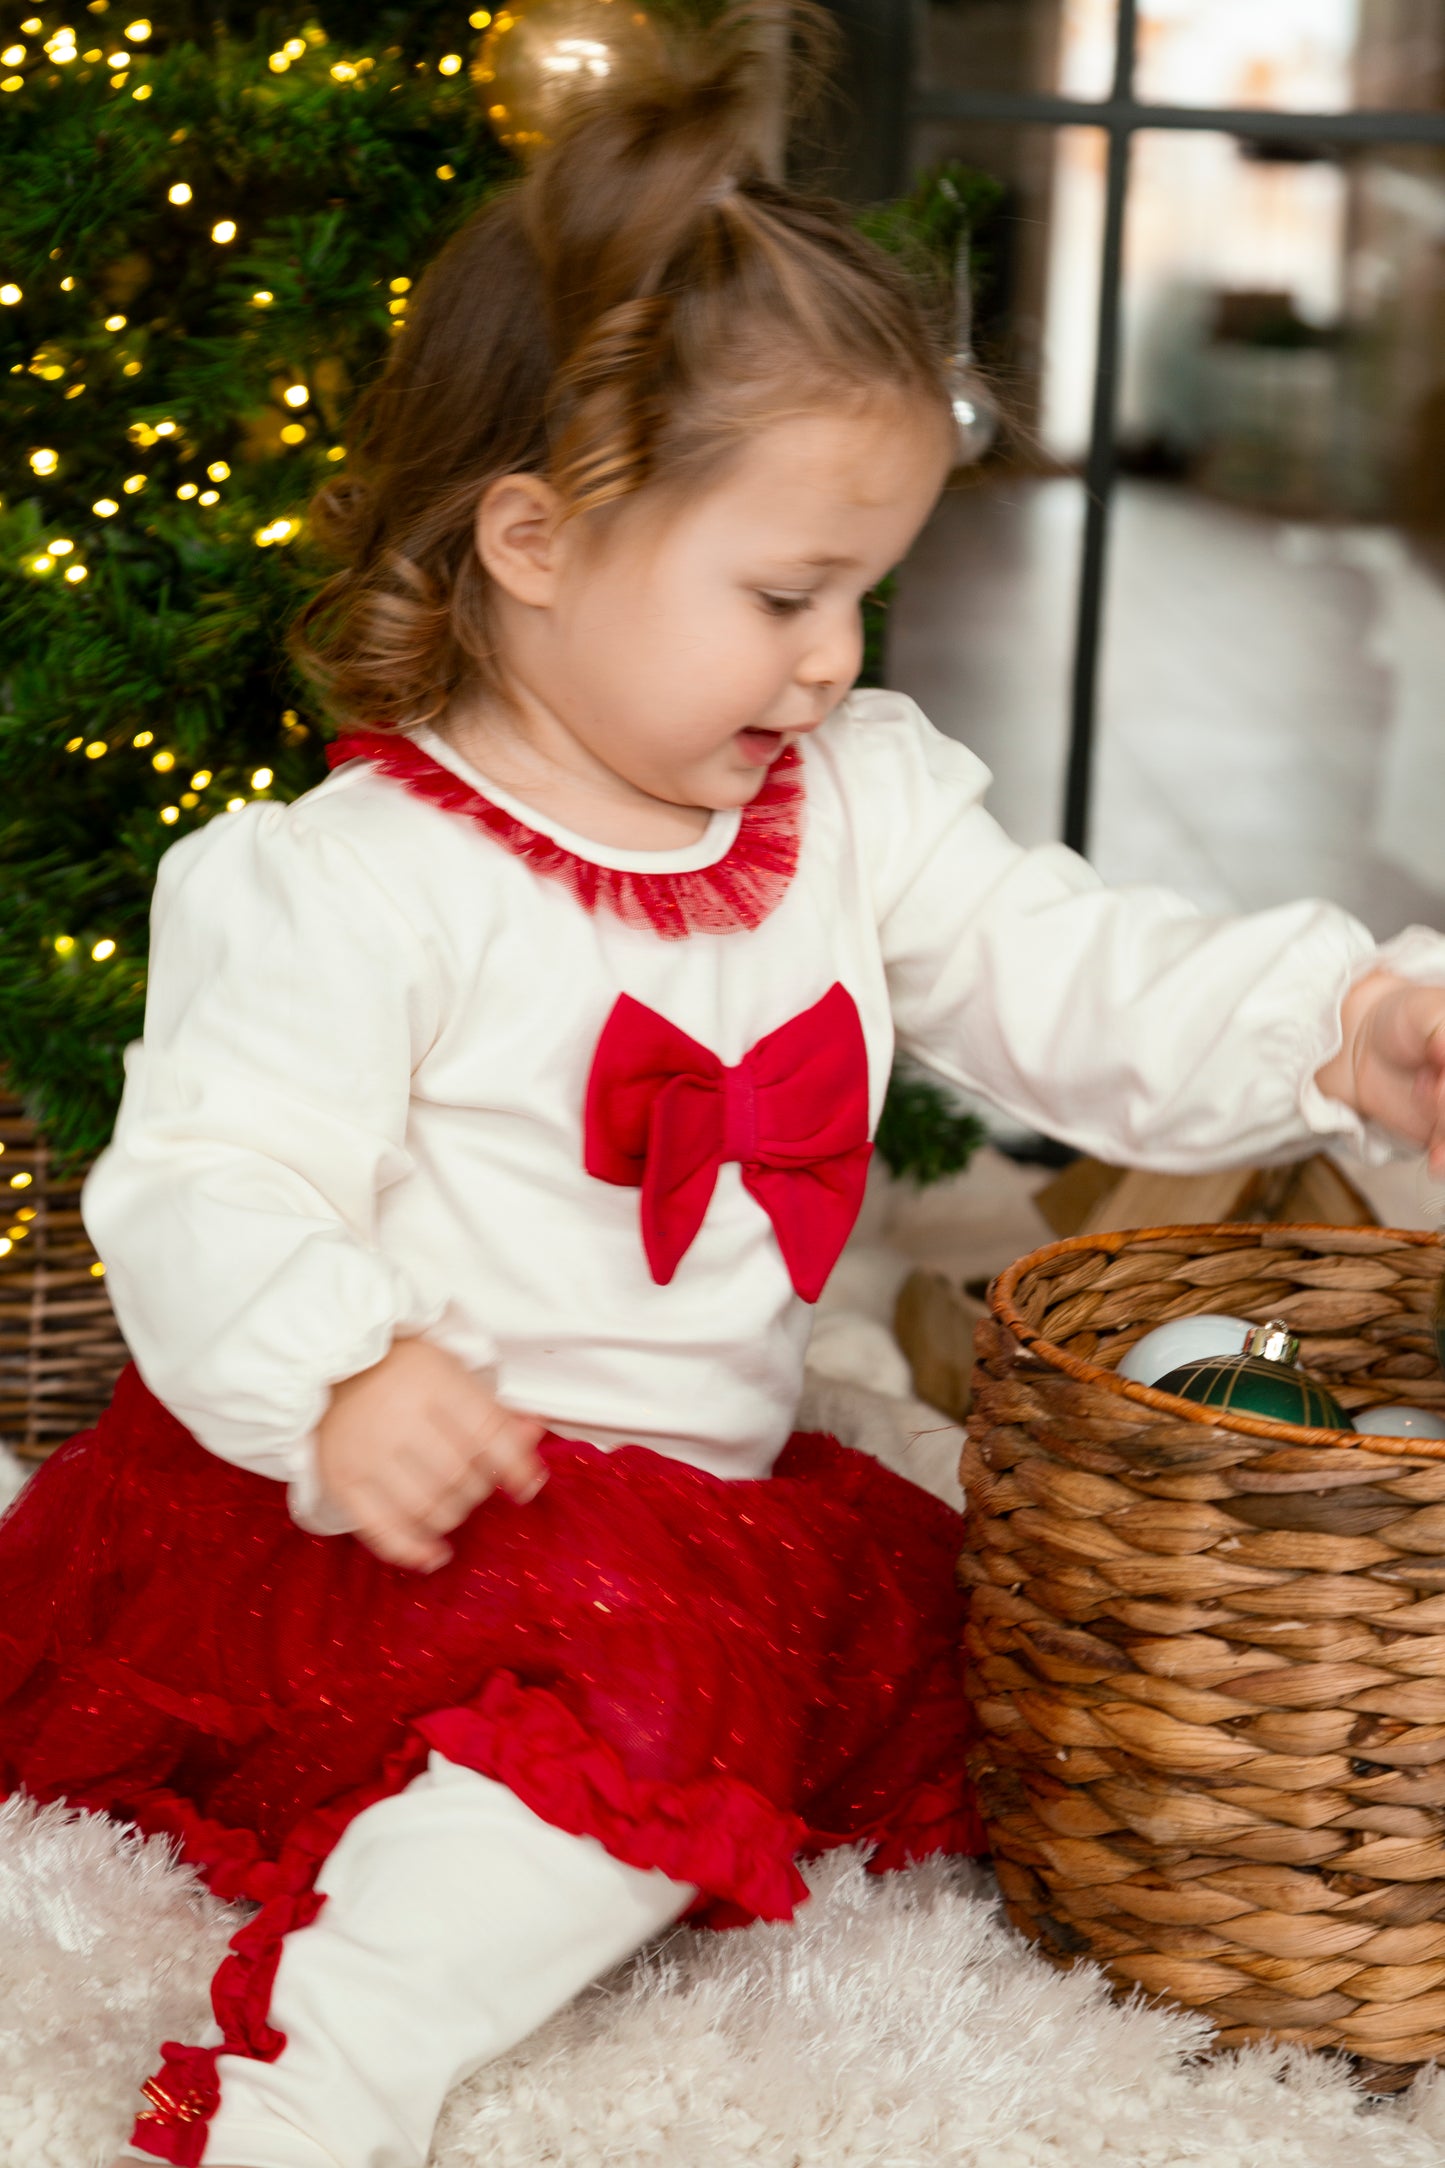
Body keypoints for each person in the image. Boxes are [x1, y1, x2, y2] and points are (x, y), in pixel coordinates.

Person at [3, 8, 1445, 2166]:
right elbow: (207, 1176)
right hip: (421, 1514)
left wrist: (1329, 1022)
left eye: (863, 591)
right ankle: (315, 2076)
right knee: (658, 1699)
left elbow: (1062, 965)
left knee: (962, 1635)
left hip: (708, 1503)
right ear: (533, 540)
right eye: (785, 592)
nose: (837, 656)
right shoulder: (346, 881)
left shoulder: (850, 803)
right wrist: (338, 1374)